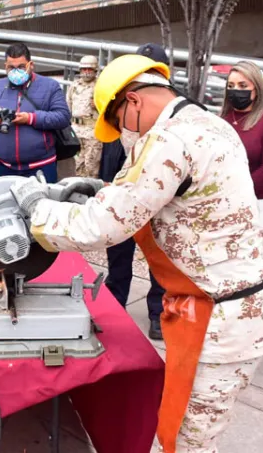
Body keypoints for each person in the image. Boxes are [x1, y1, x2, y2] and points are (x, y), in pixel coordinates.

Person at [10, 54, 263, 453]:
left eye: (118, 123)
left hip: (219, 319)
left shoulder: (169, 140)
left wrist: (37, 209)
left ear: (132, 102)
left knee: (188, 441)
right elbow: (162, 197)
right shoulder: (208, 124)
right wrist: (99, 188)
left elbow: (101, 227)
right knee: (185, 431)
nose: (122, 134)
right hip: (227, 306)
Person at [100, 43, 171, 340]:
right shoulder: (126, 109)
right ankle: (115, 304)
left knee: (158, 261)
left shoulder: (172, 122)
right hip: (120, 195)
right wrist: (103, 184)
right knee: (118, 256)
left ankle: (158, 313)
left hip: (156, 205)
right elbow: (110, 149)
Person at [0, 42, 71, 183]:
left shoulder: (50, 86)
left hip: (41, 167)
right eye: (11, 67)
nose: (16, 71)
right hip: (5, 168)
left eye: (21, 67)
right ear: (5, 67)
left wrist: (30, 118)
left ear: (30, 65)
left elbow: (63, 117)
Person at [221, 61, 263, 230]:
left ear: (256, 89)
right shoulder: (221, 120)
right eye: (231, 85)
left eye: (243, 85)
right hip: (218, 200)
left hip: (253, 201)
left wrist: (238, 190)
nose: (236, 90)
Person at [67, 55, 101, 178]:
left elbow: (110, 109)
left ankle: (91, 193)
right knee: (77, 166)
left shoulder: (100, 86)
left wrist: (99, 105)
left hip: (92, 132)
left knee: (91, 168)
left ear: (95, 70)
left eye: (89, 69)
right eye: (84, 69)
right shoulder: (74, 86)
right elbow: (68, 105)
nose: (86, 72)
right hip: (76, 131)